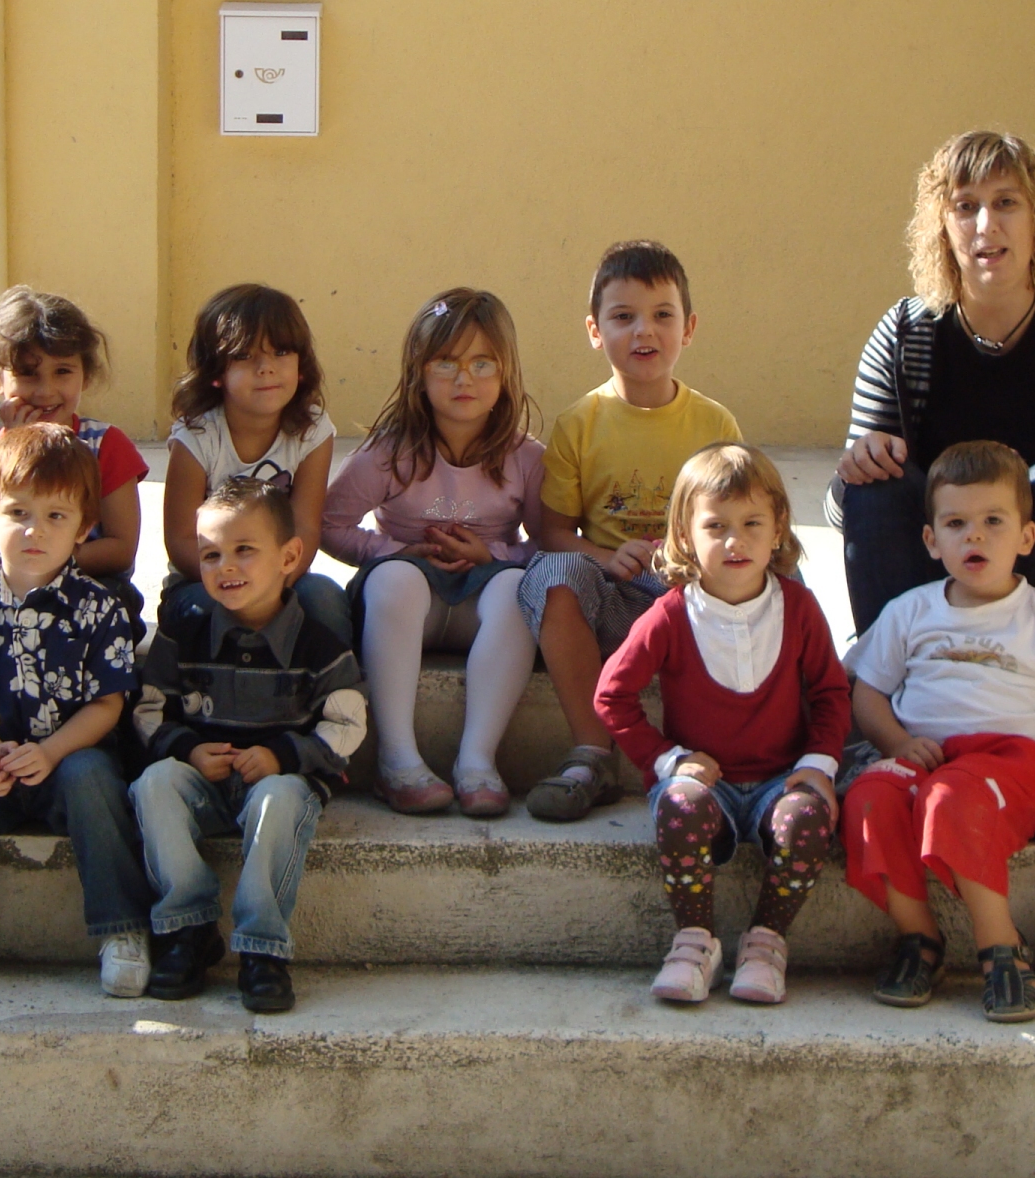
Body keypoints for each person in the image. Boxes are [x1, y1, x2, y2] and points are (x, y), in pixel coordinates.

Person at [828, 130, 1035, 705]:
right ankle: (888, 696)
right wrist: (852, 470)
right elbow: (849, 511)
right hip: (937, 581)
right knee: (877, 488)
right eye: (966, 206)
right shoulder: (904, 336)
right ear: (942, 227)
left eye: (1007, 202)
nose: (987, 225)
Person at [842, 439, 1035, 1023]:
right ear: (931, 541)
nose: (976, 537)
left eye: (994, 521)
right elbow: (868, 691)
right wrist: (894, 744)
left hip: (1008, 765)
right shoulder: (910, 611)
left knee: (952, 798)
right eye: (956, 523)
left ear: (1027, 537)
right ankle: (920, 938)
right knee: (867, 799)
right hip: (923, 755)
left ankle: (1000, 945)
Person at [0, 423, 153, 998]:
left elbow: (109, 702)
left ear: (85, 527)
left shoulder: (97, 608)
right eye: (18, 513)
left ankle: (122, 929)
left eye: (57, 517)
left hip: (69, 757)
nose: (36, 531)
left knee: (94, 780)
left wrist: (52, 751)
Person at [594, 444, 850, 1006]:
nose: (735, 541)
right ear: (683, 536)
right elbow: (613, 695)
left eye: (752, 523)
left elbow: (832, 692)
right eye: (716, 526)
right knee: (679, 805)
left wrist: (817, 765)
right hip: (701, 787)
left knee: (809, 819)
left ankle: (766, 942)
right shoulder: (669, 614)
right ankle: (695, 942)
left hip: (779, 781)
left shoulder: (800, 608)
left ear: (779, 526)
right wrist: (666, 759)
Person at [516, 242, 741, 822]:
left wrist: (692, 560)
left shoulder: (714, 423)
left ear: (688, 328)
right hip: (615, 600)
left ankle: (736, 750)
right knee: (552, 572)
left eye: (663, 315)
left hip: (690, 602)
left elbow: (737, 519)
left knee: (777, 573)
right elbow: (555, 533)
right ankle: (592, 753)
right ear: (595, 330)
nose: (645, 331)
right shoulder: (578, 423)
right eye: (623, 317)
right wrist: (606, 555)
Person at [129, 478, 367, 1011]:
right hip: (203, 781)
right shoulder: (184, 631)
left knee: (279, 799)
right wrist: (186, 749)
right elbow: (148, 708)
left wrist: (284, 756)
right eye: (211, 555)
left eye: (244, 551)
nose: (225, 567)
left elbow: (347, 724)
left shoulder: (317, 644)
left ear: (289, 557)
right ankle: (188, 929)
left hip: (280, 783)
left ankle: (263, 949)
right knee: (154, 784)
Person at [323, 288, 544, 817]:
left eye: (482, 362)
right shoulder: (389, 452)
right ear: (418, 373)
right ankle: (397, 761)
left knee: (520, 588)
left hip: (479, 607)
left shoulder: (526, 458)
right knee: (394, 579)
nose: (463, 378)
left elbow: (548, 543)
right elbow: (329, 524)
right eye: (446, 362)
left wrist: (495, 556)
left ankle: (476, 761)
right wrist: (400, 550)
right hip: (404, 613)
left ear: (506, 372)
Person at [161, 284, 349, 645]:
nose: (266, 369)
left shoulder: (312, 431)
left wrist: (271, 586)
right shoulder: (197, 436)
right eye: (245, 356)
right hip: (207, 579)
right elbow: (182, 539)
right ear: (216, 371)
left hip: (281, 575)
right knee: (194, 611)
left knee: (324, 599)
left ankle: (333, 694)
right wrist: (234, 583)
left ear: (301, 366)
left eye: (281, 352)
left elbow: (306, 527)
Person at [0, 285, 149, 630]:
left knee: (117, 601)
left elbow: (121, 548)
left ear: (85, 375)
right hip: (16, 582)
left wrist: (52, 562)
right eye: (28, 373)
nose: (45, 390)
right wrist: (13, 448)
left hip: (89, 578)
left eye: (62, 372)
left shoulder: (106, 445)